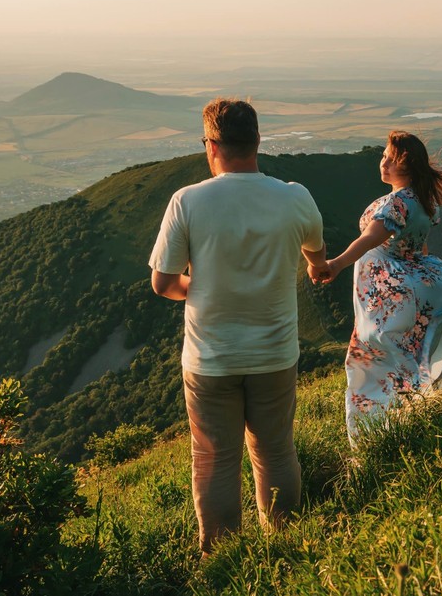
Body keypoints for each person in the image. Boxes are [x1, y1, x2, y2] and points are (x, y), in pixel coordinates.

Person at [149, 98, 327, 556]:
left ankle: (222, 558)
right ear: (258, 142)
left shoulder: (187, 201)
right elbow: (316, 256)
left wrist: (205, 286)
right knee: (276, 451)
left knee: (213, 459)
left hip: (211, 358)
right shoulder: (295, 197)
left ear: (211, 146)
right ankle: (286, 547)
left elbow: (163, 283)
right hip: (274, 353)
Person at [311, 131, 442, 446]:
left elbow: (370, 238)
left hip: (387, 289)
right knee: (404, 353)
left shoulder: (397, 201)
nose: (382, 162)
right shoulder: (423, 200)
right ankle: (415, 411)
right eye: (383, 156)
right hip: (411, 280)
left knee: (373, 357)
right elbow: (420, 246)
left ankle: (376, 433)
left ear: (406, 164)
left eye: (389, 158)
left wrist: (337, 263)